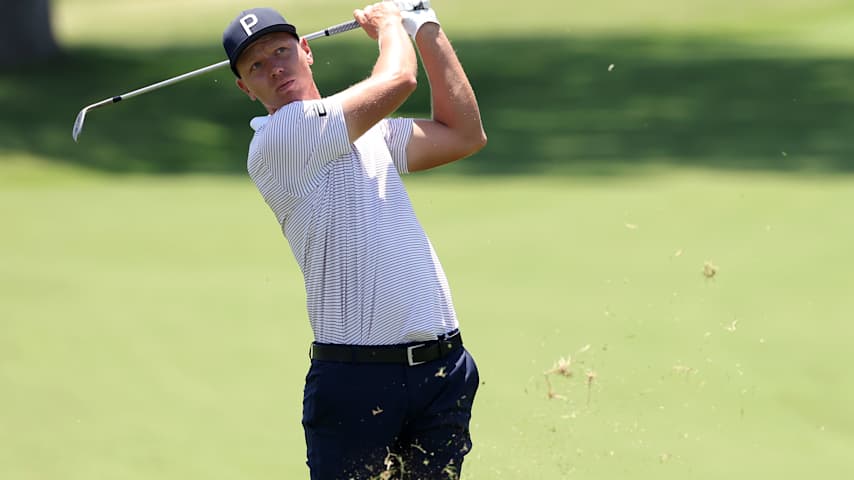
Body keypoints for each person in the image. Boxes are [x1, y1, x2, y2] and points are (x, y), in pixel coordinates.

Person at [222, 1, 486, 478]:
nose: (274, 68)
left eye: (281, 51)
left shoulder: (366, 133)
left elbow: (464, 134)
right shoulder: (280, 138)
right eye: (256, 66)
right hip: (358, 381)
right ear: (245, 88)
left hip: (442, 371)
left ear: (306, 51)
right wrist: (391, 26)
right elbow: (399, 79)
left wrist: (425, 24)